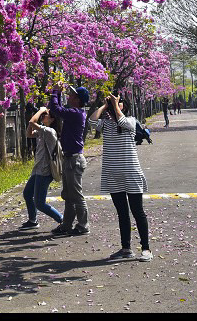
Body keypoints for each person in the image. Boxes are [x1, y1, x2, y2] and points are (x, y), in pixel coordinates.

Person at [91, 92, 152, 263]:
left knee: (137, 211)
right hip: (113, 174)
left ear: (125, 106)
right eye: (114, 103)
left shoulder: (131, 121)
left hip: (131, 172)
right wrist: (104, 105)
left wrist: (116, 104)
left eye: (120, 102)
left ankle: (146, 249)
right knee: (122, 213)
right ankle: (126, 248)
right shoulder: (105, 124)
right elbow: (91, 121)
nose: (116, 104)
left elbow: (123, 121)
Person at [48, 84, 90, 235]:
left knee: (76, 195)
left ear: (78, 100)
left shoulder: (76, 113)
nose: (70, 97)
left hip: (74, 160)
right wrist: (57, 94)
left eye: (72, 96)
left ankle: (83, 225)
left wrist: (55, 92)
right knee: (68, 195)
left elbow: (56, 109)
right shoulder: (75, 112)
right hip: (69, 159)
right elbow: (57, 108)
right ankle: (66, 225)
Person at [21, 106, 64, 229]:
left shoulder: (49, 132)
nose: (43, 115)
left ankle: (62, 220)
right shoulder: (43, 131)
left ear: (52, 120)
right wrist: (39, 113)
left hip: (45, 171)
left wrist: (40, 110)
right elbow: (29, 134)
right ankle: (33, 220)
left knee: (40, 203)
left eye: (46, 114)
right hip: (38, 169)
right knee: (27, 194)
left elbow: (31, 122)